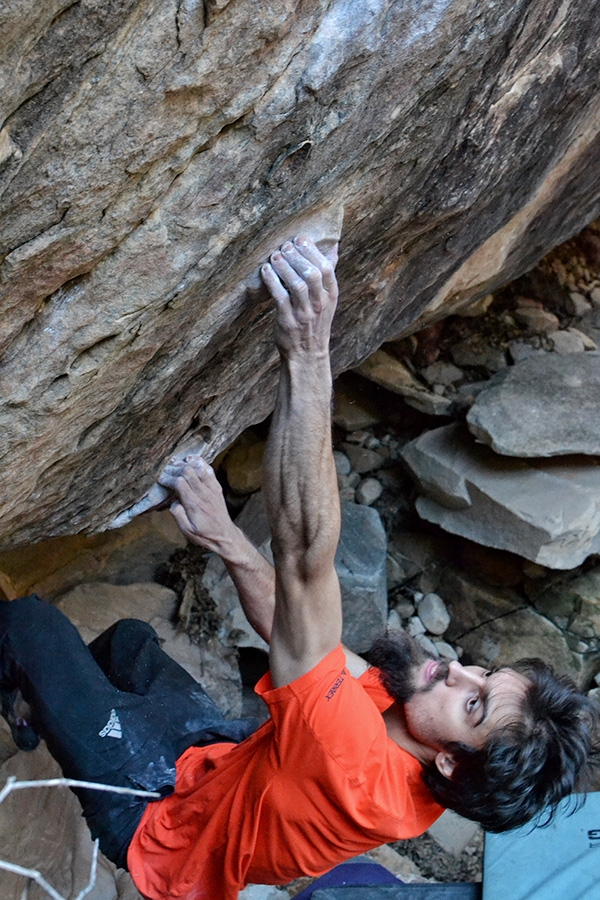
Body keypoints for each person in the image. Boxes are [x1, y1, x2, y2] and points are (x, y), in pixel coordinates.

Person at [0, 237, 597, 900]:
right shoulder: (416, 749)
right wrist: (226, 539)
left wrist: (309, 348)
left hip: (155, 826)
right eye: (482, 672)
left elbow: (306, 561)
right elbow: (308, 641)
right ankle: (36, 698)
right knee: (130, 644)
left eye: (474, 701)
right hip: (213, 765)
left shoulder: (351, 765)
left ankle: (24, 699)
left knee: (27, 624)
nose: (456, 668)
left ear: (452, 761)